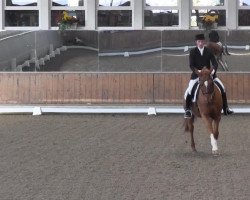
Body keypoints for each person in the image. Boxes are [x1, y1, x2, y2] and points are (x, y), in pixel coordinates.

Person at [184, 33, 234, 118]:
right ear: (196, 42)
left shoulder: (208, 51)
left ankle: (226, 108)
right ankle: (188, 110)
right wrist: (198, 71)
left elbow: (215, 63)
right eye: (199, 41)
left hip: (209, 75)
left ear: (204, 42)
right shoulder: (193, 52)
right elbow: (191, 65)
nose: (200, 43)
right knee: (189, 89)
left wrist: (213, 71)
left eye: (202, 41)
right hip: (197, 75)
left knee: (222, 87)